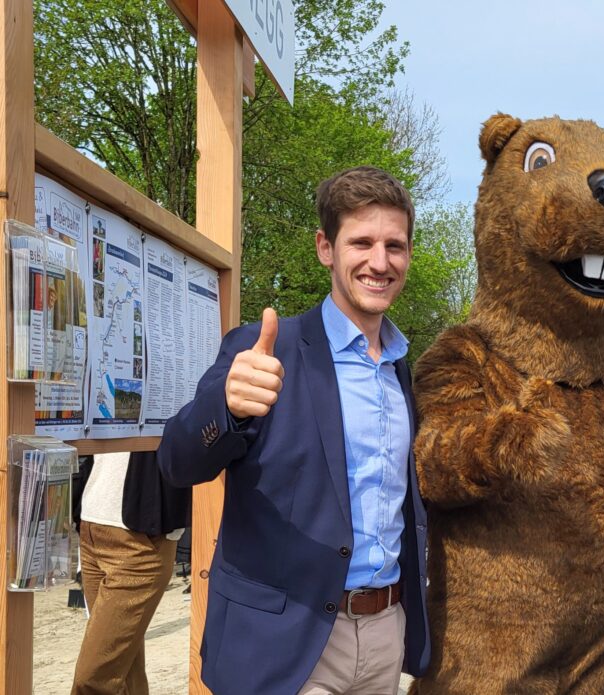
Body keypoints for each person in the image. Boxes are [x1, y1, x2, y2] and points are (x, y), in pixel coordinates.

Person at [158, 166, 429, 695]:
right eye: (362, 242)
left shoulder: (401, 368)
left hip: (383, 636)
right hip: (286, 644)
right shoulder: (264, 350)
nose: (380, 262)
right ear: (325, 248)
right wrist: (226, 408)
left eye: (394, 245)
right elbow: (175, 461)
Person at [71, 451, 190, 695]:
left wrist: (172, 530)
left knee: (92, 680)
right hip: (92, 522)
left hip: (139, 541)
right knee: (125, 675)